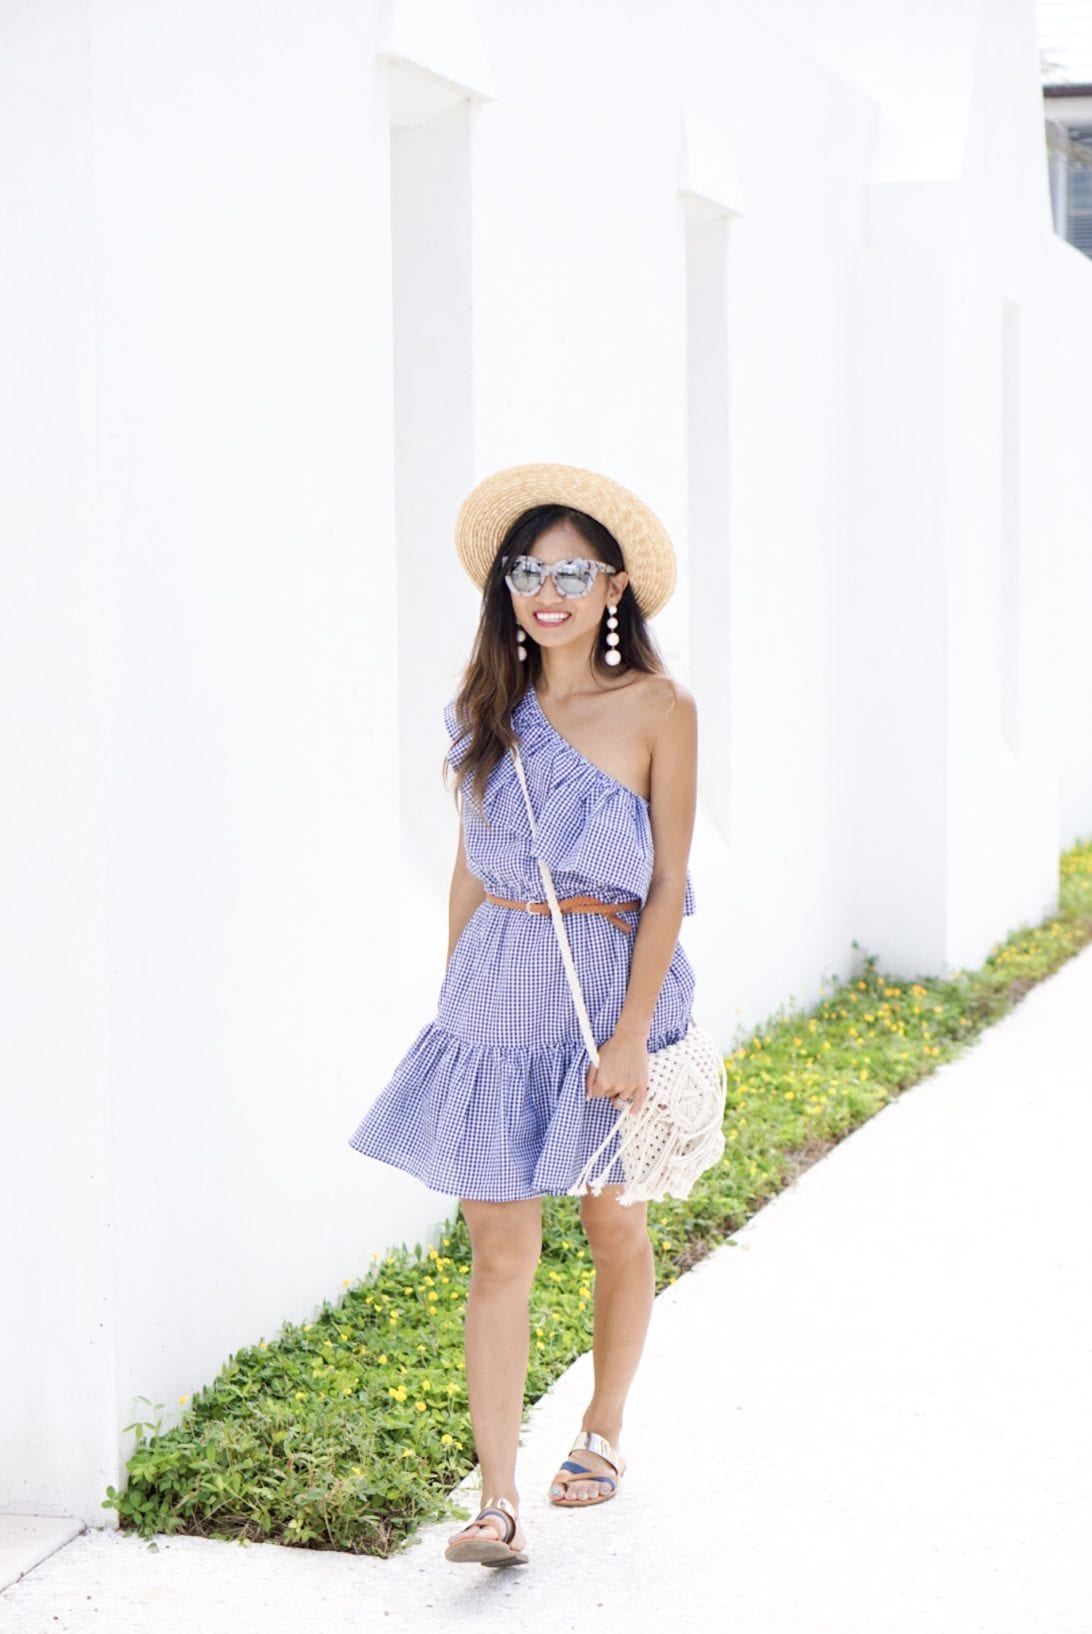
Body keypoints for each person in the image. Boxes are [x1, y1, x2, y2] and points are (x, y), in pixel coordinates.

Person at [347, 462, 699, 1568]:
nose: (546, 590)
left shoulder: (659, 708)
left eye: (571, 570)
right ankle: (497, 1499)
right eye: (526, 570)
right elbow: (469, 866)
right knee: (499, 1249)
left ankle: (603, 1428)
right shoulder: (486, 706)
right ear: (507, 588)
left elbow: (668, 880)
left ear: (612, 589)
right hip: (498, 993)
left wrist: (634, 1028)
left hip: (611, 992)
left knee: (613, 1222)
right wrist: (458, 996)